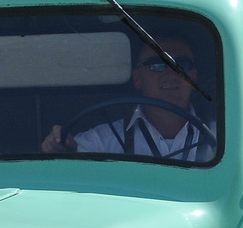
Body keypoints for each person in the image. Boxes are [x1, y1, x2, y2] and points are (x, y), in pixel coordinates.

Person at [43, 36, 214, 162]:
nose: (171, 73)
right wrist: (59, 149)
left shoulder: (225, 139)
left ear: (193, 76)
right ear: (137, 78)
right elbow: (66, 176)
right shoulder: (101, 141)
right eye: (157, 64)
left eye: (181, 65)